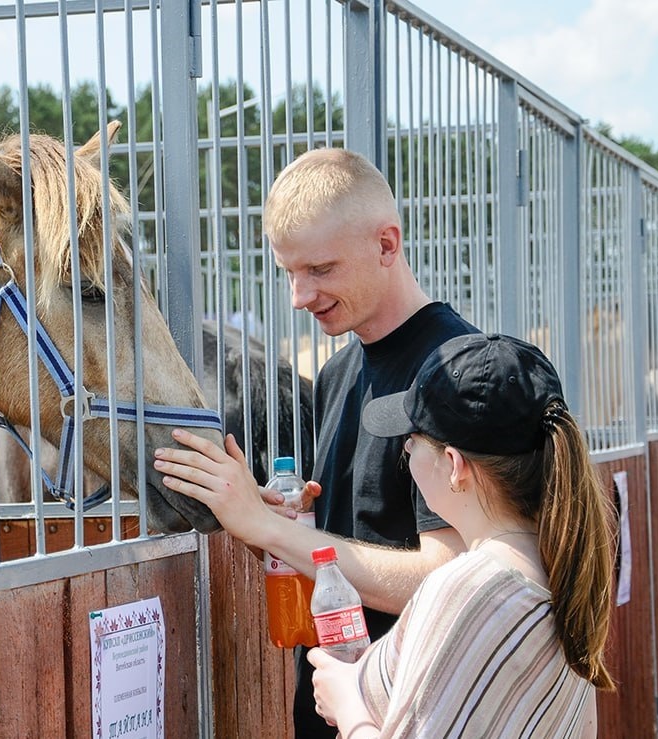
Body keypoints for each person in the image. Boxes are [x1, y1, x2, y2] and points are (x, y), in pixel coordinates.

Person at [152, 147, 476, 736]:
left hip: (418, 713)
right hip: (335, 708)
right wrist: (270, 522)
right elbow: (342, 553)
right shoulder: (336, 373)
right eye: (289, 273)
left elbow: (448, 576)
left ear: (387, 244)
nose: (300, 297)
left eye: (321, 270)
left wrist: (269, 528)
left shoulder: (456, 373)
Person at [308, 332, 613, 736]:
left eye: (411, 441)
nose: (406, 452)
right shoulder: (561, 570)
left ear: (453, 465)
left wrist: (347, 704)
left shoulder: (468, 589)